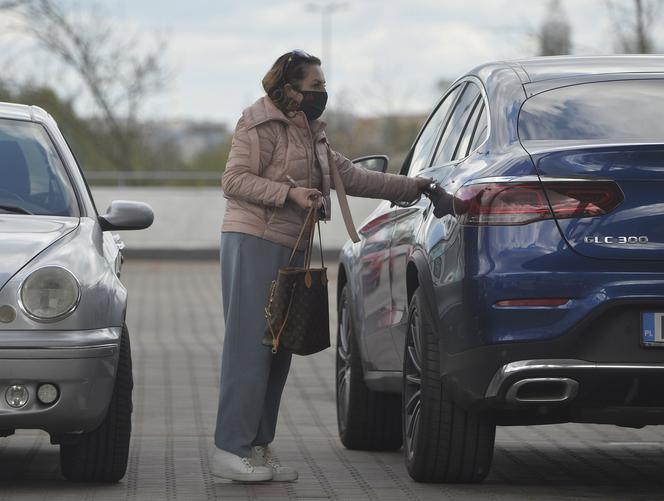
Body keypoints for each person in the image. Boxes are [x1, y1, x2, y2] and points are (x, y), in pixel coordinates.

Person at [211, 49, 432, 482]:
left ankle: (257, 445)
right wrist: (289, 194)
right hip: (253, 239)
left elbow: (351, 176)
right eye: (315, 86)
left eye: (324, 86)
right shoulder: (258, 123)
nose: (322, 94)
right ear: (288, 87)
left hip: (290, 244)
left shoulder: (312, 132)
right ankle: (229, 448)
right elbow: (233, 180)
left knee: (279, 349)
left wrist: (413, 188)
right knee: (250, 347)